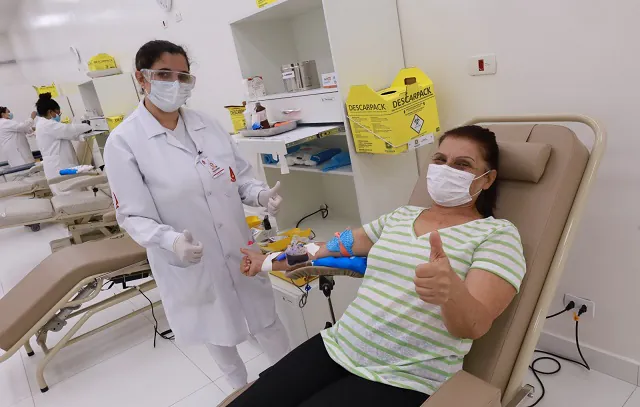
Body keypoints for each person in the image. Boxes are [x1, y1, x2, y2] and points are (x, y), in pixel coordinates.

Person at [235, 125, 527, 407]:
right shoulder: (400, 217)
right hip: (337, 344)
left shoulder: (497, 235)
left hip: (403, 377)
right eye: (440, 160)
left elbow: (474, 327)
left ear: (487, 179)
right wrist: (268, 262)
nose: (446, 169)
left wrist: (450, 292)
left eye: (462, 164)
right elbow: (321, 249)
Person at [103, 40, 290, 390]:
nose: (174, 83)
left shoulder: (209, 125)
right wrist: (170, 241)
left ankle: (295, 384)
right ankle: (239, 391)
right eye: (163, 74)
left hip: (239, 249)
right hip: (191, 262)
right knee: (219, 337)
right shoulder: (125, 141)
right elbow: (132, 216)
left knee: (268, 323)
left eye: (182, 75)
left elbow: (238, 179)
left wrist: (261, 195)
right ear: (141, 79)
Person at [34, 93, 92, 186]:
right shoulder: (48, 125)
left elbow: (65, 135)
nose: (58, 115)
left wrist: (80, 136)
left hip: (56, 165)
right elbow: (68, 130)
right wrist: (88, 125)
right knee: (71, 193)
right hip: (60, 166)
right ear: (50, 112)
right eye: (57, 113)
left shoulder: (42, 124)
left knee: (70, 193)